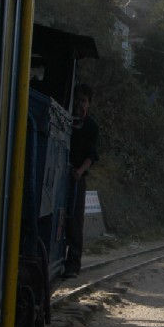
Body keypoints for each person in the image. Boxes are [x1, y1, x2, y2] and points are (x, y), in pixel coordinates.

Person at [64, 83, 99, 278]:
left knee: (75, 221)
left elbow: (91, 156)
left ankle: (73, 264)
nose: (80, 104)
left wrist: (79, 171)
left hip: (77, 178)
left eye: (84, 101)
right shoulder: (66, 120)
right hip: (62, 174)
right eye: (77, 99)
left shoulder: (91, 127)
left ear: (89, 104)